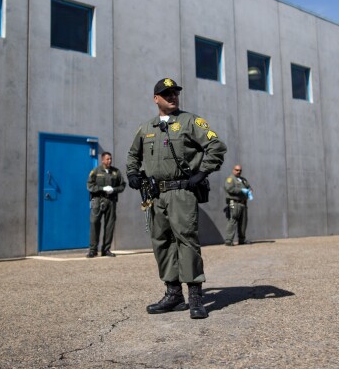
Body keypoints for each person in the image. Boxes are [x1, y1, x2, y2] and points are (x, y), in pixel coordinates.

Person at [127, 77, 226, 319]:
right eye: (166, 93)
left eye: (175, 93)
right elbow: (133, 154)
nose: (172, 97)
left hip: (182, 191)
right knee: (161, 242)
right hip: (156, 194)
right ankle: (173, 294)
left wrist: (202, 172)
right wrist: (131, 172)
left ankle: (195, 297)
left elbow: (216, 146)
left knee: (186, 241)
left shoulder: (190, 121)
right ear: (156, 99)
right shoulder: (146, 128)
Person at [86, 152, 126, 258]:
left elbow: (122, 185)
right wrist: (101, 189)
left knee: (109, 225)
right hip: (98, 200)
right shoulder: (96, 171)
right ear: (102, 160)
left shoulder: (116, 172)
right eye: (107, 159)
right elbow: (90, 185)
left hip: (111, 201)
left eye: (111, 159)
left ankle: (106, 249)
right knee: (94, 223)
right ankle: (93, 250)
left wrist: (114, 189)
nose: (110, 161)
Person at [224, 165, 253, 246]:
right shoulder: (230, 179)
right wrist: (241, 190)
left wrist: (250, 190)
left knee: (243, 222)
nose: (238, 172)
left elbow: (248, 187)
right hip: (235, 202)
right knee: (233, 220)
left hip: (243, 203)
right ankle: (229, 240)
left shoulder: (243, 180)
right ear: (233, 170)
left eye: (240, 170)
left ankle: (242, 239)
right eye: (236, 170)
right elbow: (229, 189)